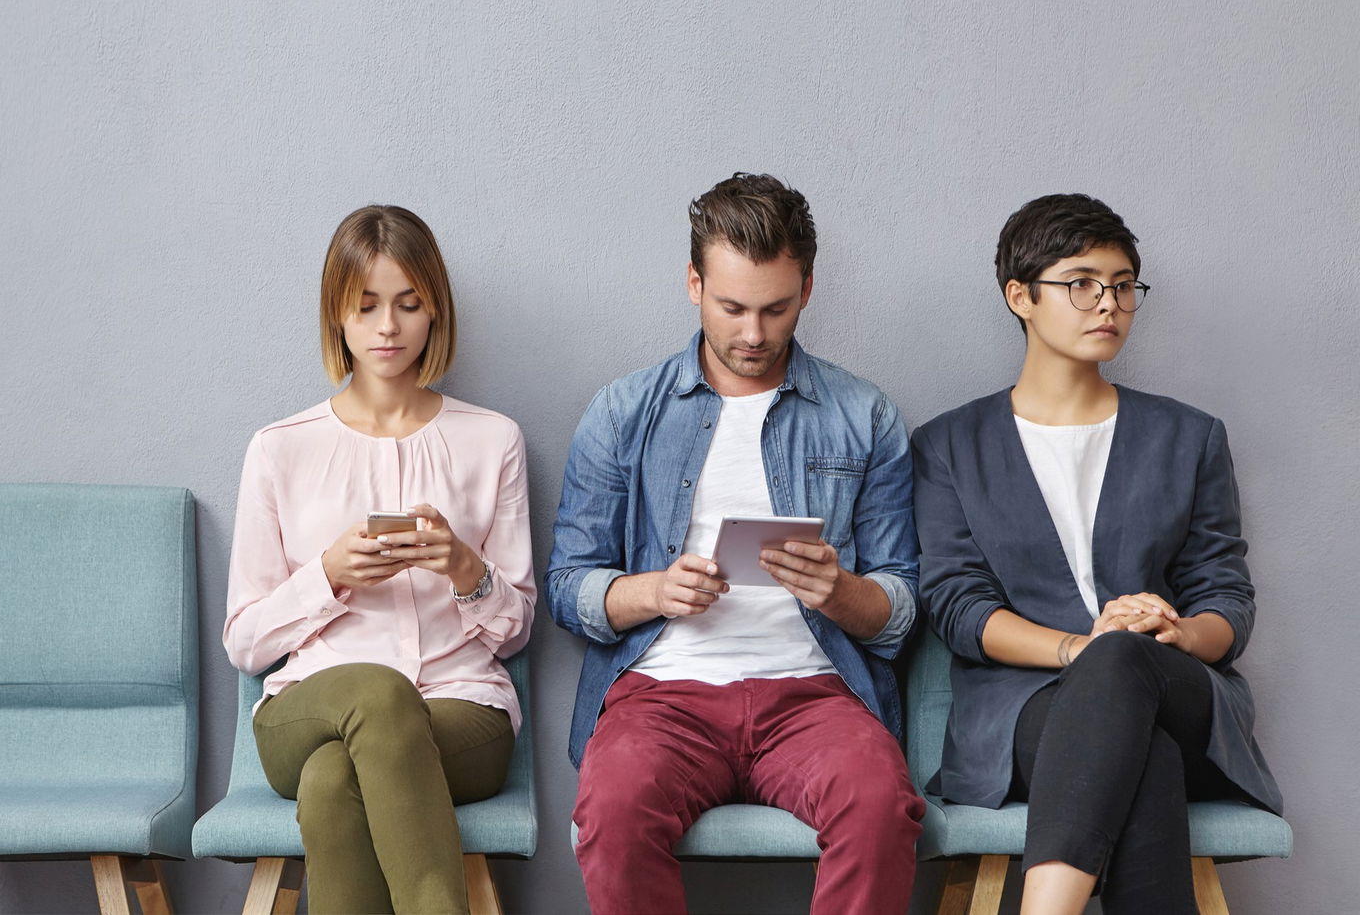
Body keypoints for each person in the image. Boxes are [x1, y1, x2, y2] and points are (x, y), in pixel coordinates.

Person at [546, 173, 925, 915]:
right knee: (612, 810)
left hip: (814, 694)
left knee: (882, 807)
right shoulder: (623, 413)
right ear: (694, 284)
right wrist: (654, 591)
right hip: (662, 696)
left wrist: (840, 592)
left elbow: (901, 605)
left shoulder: (864, 415)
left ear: (807, 289)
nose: (753, 333)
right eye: (732, 307)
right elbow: (567, 586)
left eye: (775, 308)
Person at [912, 193, 1281, 915]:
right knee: (1143, 755)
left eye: (1122, 286)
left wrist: (1176, 634)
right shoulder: (950, 446)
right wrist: (1081, 649)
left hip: (1176, 686)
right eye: (1081, 284)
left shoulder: (1190, 437)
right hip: (1024, 709)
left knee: (1125, 664)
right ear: (1020, 296)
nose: (1108, 303)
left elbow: (1227, 597)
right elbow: (957, 605)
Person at [224, 205, 535, 915]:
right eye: (365, 306)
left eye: (408, 304)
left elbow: (516, 632)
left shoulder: (493, 441)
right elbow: (244, 642)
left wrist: (464, 570)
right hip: (305, 712)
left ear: (435, 311)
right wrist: (328, 575)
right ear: (337, 313)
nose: (387, 327)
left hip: (463, 710)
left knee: (333, 780)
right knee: (377, 692)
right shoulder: (279, 448)